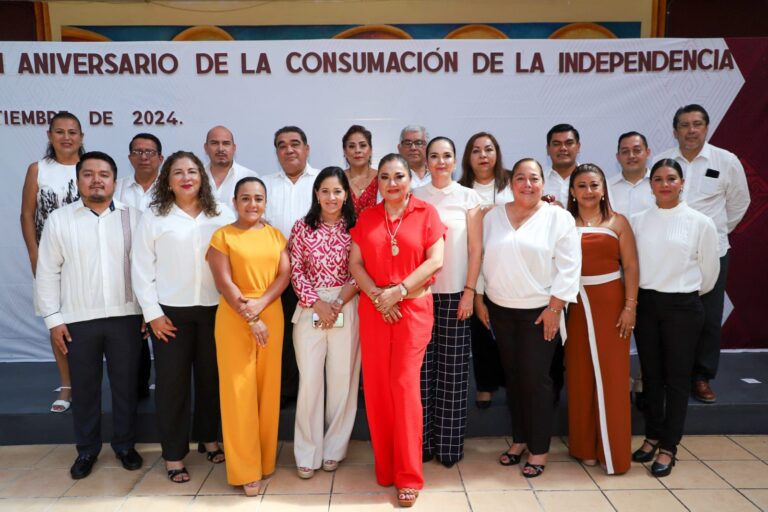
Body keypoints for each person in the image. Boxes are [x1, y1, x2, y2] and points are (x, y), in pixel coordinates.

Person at [36, 151, 143, 480]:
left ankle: (125, 445)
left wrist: (147, 311)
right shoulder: (60, 219)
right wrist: (53, 319)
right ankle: (87, 450)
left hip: (127, 316)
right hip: (77, 320)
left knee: (126, 386)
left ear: (114, 180)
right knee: (84, 388)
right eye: (89, 174)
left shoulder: (135, 216)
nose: (97, 179)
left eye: (104, 174)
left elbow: (147, 268)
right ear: (78, 180)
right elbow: (47, 272)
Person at [349, 153, 445, 507]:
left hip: (412, 308)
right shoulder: (368, 216)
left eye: (399, 176)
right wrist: (378, 297)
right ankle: (386, 467)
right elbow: (355, 264)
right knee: (376, 390)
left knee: (404, 390)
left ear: (409, 179)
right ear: (378, 182)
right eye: (386, 177)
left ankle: (408, 476)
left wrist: (398, 292)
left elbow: (436, 260)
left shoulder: (426, 214)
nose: (392, 183)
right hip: (375, 310)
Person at [132, 151, 233, 483]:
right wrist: (153, 314)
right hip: (170, 315)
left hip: (216, 311)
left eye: (193, 171)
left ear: (202, 177)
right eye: (178, 172)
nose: (187, 177)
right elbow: (141, 270)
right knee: (172, 386)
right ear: (168, 179)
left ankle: (208, 437)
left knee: (210, 379)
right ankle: (174, 454)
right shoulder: (155, 217)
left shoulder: (221, 214)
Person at [477, 158, 580, 478]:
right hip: (500, 309)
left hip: (540, 313)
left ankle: (539, 449)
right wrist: (479, 296)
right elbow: (479, 257)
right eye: (520, 178)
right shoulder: (493, 217)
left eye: (533, 178)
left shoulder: (558, 218)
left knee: (537, 381)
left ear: (543, 183)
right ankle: (519, 439)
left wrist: (555, 308)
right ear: (511, 183)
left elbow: (569, 266)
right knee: (514, 379)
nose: (527, 184)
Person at [654, 104, 750, 404]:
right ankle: (671, 376)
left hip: (713, 253)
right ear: (675, 131)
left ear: (706, 128)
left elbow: (739, 202)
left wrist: (712, 233)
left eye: (697, 124)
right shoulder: (661, 161)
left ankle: (702, 377)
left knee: (708, 317)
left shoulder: (726, 160)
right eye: (684, 125)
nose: (691, 130)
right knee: (669, 316)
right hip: (670, 253)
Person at [630, 158, 720, 477]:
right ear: (650, 184)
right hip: (647, 305)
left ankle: (669, 446)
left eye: (671, 178)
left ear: (682, 183)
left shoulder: (700, 222)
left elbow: (709, 274)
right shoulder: (638, 221)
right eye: (658, 179)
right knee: (651, 376)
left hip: (683, 307)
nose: (664, 184)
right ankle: (652, 435)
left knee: (677, 379)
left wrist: (683, 293)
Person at [208, 176, 291, 496]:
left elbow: (284, 275)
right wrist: (250, 313)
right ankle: (245, 469)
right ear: (234, 202)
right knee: (238, 392)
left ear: (265, 203)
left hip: (270, 312)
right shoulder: (222, 236)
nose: (252, 204)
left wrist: (261, 306)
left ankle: (265, 460)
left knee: (267, 390)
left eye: (258, 198)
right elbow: (224, 282)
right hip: (234, 316)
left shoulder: (275, 236)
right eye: (245, 198)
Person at [565, 163, 638, 475]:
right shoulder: (563, 221)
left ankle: (614, 452)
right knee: (580, 376)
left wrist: (630, 307)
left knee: (612, 377)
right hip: (574, 304)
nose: (588, 191)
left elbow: (632, 267)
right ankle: (584, 447)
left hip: (610, 303)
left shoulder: (618, 222)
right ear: (572, 191)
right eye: (581, 185)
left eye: (594, 185)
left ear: (604, 188)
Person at [413, 137, 481, 467]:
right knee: (423, 374)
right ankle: (422, 444)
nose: (441, 162)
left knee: (453, 374)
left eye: (447, 156)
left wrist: (470, 291)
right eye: (434, 156)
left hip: (456, 294)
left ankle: (450, 446)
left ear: (455, 161)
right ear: (425, 161)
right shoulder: (415, 196)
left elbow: (476, 249)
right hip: (420, 296)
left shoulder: (469, 198)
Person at [289, 167, 361, 479]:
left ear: (346, 195)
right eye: (325, 191)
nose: (331, 198)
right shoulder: (302, 228)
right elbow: (295, 270)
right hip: (310, 305)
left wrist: (338, 302)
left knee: (343, 379)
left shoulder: (357, 227)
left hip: (347, 301)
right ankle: (307, 451)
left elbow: (360, 269)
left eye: (337, 191)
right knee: (310, 381)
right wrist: (318, 302)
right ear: (316, 194)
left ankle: (334, 449)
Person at [20, 111, 84, 413]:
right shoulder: (38, 169)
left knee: (87, 323)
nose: (66, 137)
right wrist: (35, 255)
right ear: (49, 136)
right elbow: (27, 214)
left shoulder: (90, 167)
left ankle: (88, 383)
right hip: (50, 261)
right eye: (60, 131)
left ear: (81, 137)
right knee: (57, 323)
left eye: (72, 132)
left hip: (86, 259)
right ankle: (67, 384)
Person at [263, 126, 320, 408]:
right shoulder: (264, 185)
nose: (289, 150)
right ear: (276, 152)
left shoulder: (322, 182)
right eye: (282, 145)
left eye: (295, 143)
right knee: (283, 336)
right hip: (275, 278)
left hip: (317, 279)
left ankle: (314, 393)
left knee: (315, 337)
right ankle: (286, 391)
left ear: (306, 148)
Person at [459, 131, 512, 409]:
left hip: (509, 268)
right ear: (468, 157)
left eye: (488, 150)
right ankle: (486, 385)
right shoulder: (460, 189)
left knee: (509, 329)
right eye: (476, 150)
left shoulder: (513, 182)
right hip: (474, 268)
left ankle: (510, 381)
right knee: (481, 330)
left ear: (497, 153)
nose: (483, 156)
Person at [116, 133, 165, 400]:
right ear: (130, 157)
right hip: (124, 270)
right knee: (133, 334)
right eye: (138, 151)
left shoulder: (171, 188)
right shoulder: (117, 188)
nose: (144, 157)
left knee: (162, 330)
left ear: (161, 157)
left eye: (149, 152)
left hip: (164, 271)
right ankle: (138, 388)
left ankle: (166, 385)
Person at [203, 125, 259, 215]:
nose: (220, 149)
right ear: (206, 148)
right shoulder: (196, 176)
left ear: (234, 148)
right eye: (214, 143)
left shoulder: (249, 177)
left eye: (226, 143)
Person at [609, 131, 654, 218]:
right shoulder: (607, 187)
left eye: (637, 150)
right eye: (625, 152)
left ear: (647, 153)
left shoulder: (659, 184)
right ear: (618, 157)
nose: (631, 156)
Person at [342, 125, 378, 214]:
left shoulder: (382, 178)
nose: (357, 150)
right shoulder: (338, 179)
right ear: (345, 152)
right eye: (351, 146)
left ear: (370, 150)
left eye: (363, 145)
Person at [543, 123, 581, 206]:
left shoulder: (594, 180)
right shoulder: (537, 182)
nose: (563, 148)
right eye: (556, 144)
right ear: (548, 149)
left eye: (569, 143)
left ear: (578, 147)